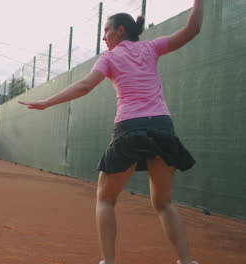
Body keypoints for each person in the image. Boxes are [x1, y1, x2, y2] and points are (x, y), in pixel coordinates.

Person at [18, 1, 204, 263]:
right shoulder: (151, 47)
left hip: (130, 128)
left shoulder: (111, 57)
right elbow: (193, 29)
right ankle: (187, 261)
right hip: (163, 127)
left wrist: (47, 102)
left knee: (105, 199)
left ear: (120, 30)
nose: (104, 37)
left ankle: (109, 261)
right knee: (164, 204)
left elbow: (84, 86)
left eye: (106, 31)